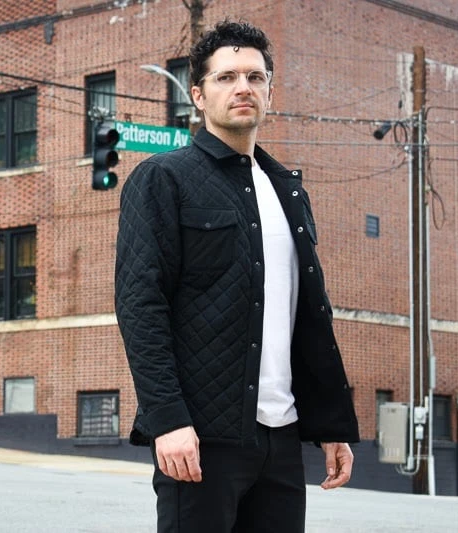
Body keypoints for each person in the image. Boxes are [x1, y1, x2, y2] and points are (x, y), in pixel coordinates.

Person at [114, 19, 360, 532]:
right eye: (226, 78)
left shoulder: (287, 191)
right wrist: (169, 420)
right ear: (199, 97)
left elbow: (305, 316)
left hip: (282, 435)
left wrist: (328, 424)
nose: (243, 87)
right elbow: (140, 307)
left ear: (270, 90)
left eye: (255, 76)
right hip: (202, 438)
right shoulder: (163, 179)